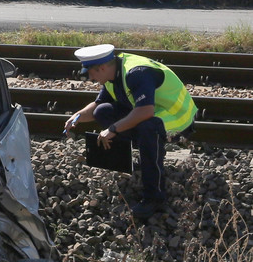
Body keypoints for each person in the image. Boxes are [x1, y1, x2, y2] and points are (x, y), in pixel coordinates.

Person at [64, 44, 197, 219]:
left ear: (102, 68)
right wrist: (78, 117)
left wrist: (112, 129)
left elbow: (146, 111)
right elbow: (97, 105)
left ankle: (154, 197)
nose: (90, 77)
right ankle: (137, 159)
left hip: (176, 119)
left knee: (147, 127)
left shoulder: (136, 73)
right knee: (102, 112)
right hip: (153, 114)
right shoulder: (113, 74)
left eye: (91, 73)